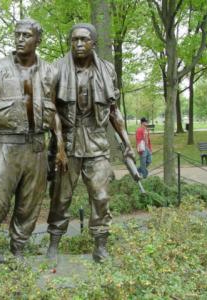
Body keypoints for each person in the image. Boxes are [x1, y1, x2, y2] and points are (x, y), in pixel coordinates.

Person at [0, 18, 67, 269]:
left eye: (26, 35)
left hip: (36, 147)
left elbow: (53, 113)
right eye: (17, 34)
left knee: (29, 205)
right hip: (5, 146)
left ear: (37, 40)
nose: (20, 39)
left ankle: (17, 249)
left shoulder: (51, 71)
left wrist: (61, 146)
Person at [46, 23, 135, 263]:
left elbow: (114, 110)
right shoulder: (56, 69)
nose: (78, 44)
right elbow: (51, 110)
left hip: (96, 141)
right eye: (74, 40)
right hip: (68, 140)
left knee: (101, 194)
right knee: (61, 197)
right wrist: (60, 147)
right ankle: (54, 243)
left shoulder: (107, 70)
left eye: (84, 39)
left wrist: (127, 141)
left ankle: (100, 245)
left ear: (93, 43)